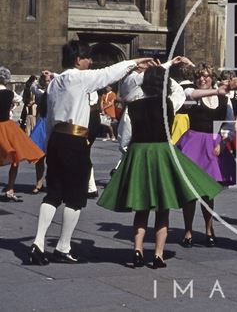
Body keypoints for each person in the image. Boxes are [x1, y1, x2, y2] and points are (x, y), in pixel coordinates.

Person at [27, 40, 154, 265]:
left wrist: (48, 145)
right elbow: (108, 73)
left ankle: (38, 242)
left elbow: (49, 119)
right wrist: (134, 61)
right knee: (75, 196)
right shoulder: (80, 78)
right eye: (87, 57)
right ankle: (63, 246)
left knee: (54, 193)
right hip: (75, 140)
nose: (90, 61)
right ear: (78, 60)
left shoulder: (55, 82)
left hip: (57, 137)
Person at [98, 66, 222, 268]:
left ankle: (137, 251)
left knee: (141, 207)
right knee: (162, 207)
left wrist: (130, 152)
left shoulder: (133, 106)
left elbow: (124, 137)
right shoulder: (169, 103)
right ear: (164, 84)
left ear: (144, 84)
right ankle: (157, 255)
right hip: (162, 152)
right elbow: (180, 91)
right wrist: (166, 70)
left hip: (139, 152)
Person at [175, 64, 234, 248]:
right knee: (190, 191)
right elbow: (186, 96)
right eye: (200, 76)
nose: (203, 79)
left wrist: (223, 142)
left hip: (213, 144)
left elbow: (229, 124)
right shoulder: (192, 95)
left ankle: (209, 230)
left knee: (208, 192)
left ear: (213, 78)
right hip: (193, 144)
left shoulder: (225, 100)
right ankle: (188, 231)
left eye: (207, 76)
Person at [0, 67, 45, 202]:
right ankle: (10, 188)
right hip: (7, 126)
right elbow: (19, 99)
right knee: (15, 158)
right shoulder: (9, 93)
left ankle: (10, 188)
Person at [29, 71, 53, 194]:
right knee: (39, 157)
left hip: (53, 125)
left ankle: (54, 183)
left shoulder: (58, 93)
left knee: (54, 157)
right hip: (42, 125)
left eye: (49, 81)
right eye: (46, 81)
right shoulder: (40, 94)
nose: (47, 83)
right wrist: (43, 76)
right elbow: (33, 87)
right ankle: (39, 182)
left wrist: (52, 75)